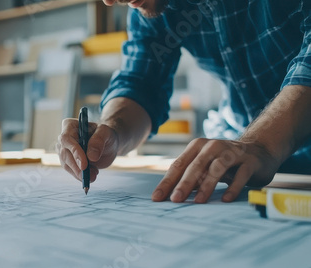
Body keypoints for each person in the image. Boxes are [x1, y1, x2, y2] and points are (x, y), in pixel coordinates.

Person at [57, 0, 311, 203]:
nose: (111, 1)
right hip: (238, 165)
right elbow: (141, 83)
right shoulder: (151, 7)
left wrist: (262, 146)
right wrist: (111, 132)